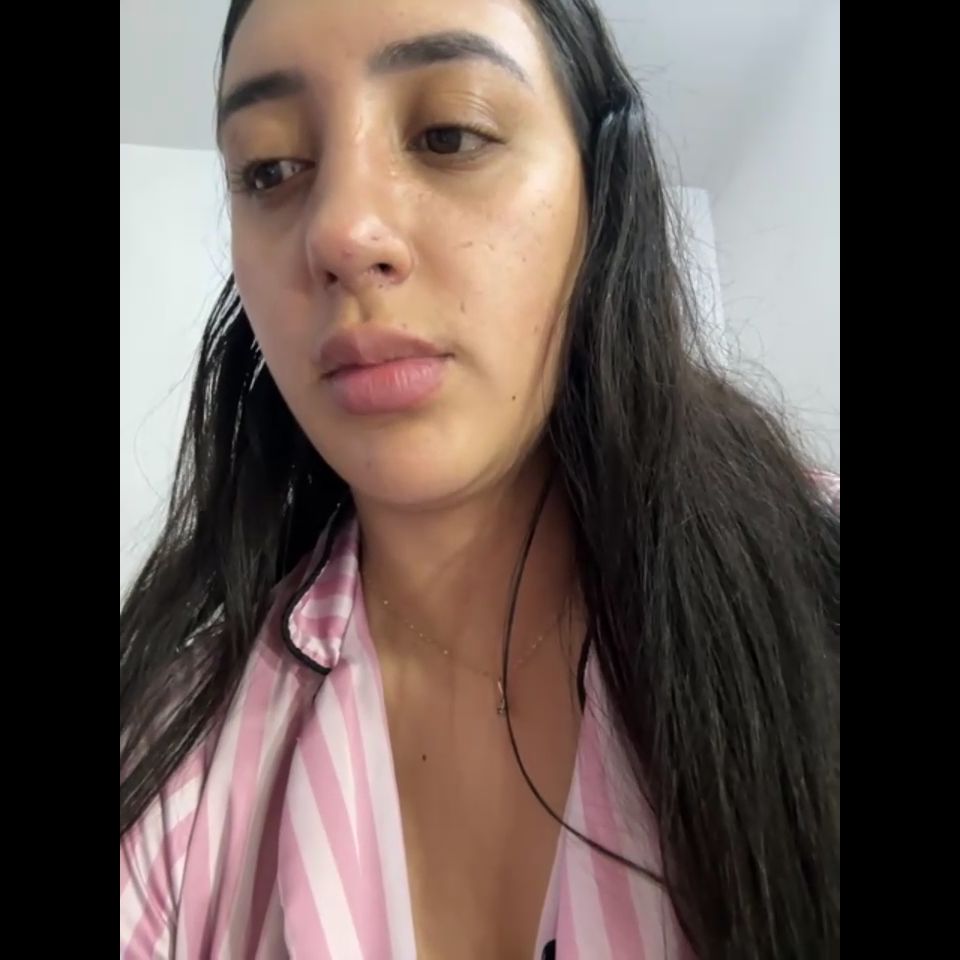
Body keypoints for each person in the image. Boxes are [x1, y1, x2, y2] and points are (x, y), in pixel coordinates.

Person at [119, 0, 840, 957]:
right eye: (271, 168)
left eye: (450, 134)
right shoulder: (171, 748)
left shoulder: (817, 580)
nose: (339, 233)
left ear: (602, 195)